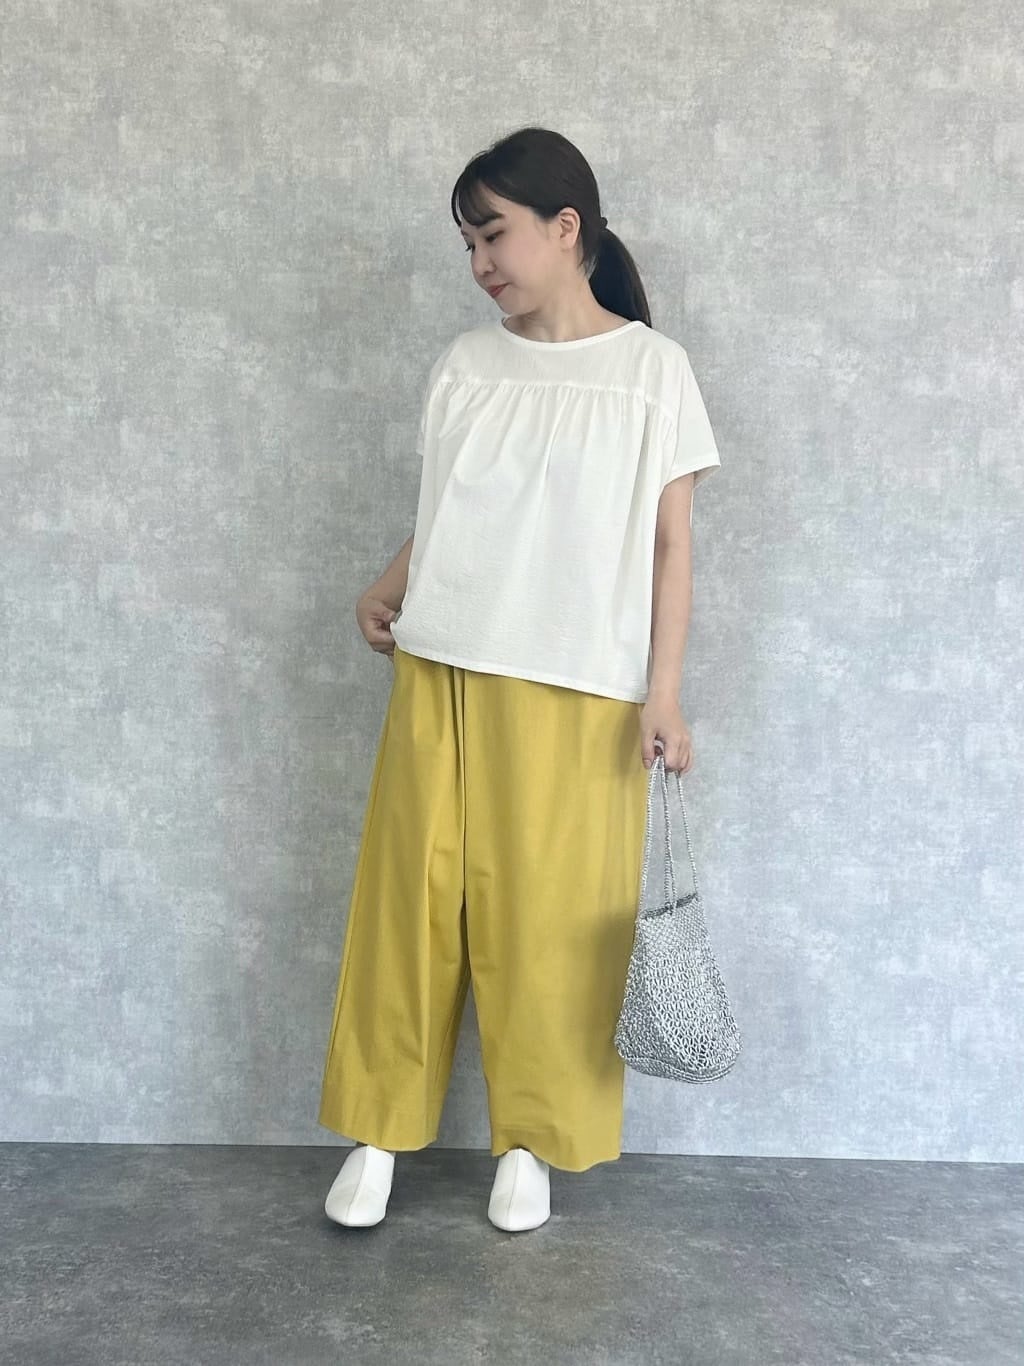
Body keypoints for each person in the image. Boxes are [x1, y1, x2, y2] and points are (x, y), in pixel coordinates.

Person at [318, 126, 722, 1233]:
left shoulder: (653, 371)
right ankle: (376, 1132)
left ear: (565, 227)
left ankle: (533, 1141)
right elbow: (452, 509)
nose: (479, 261)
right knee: (407, 904)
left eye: (492, 234)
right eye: (466, 242)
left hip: (581, 683)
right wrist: (387, 584)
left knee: (550, 922)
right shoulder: (465, 364)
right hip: (441, 662)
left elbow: (671, 547)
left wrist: (664, 691)